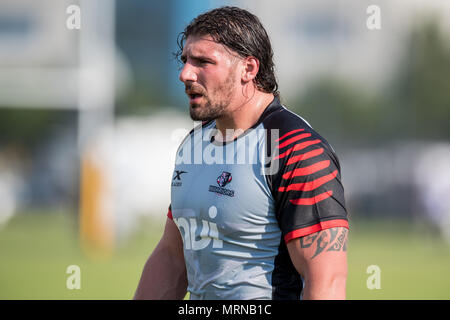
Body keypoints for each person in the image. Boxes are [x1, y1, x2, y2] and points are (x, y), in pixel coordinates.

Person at [134, 6, 349, 300]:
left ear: (248, 69)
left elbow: (327, 280)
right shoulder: (193, 144)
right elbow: (172, 257)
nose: (185, 73)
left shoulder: (295, 147)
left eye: (203, 62)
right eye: (185, 60)